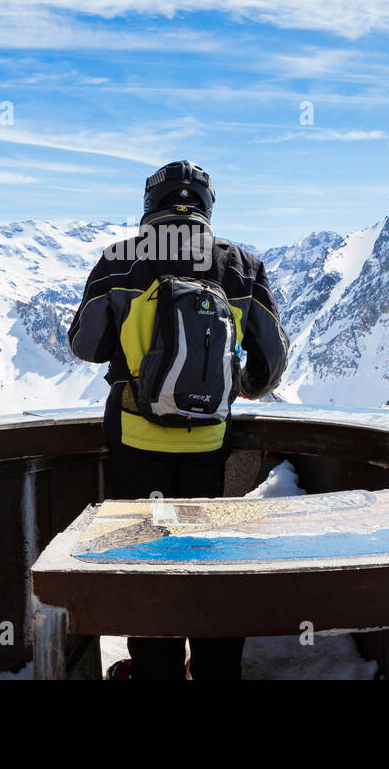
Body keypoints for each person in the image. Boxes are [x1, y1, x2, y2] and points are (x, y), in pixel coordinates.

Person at [67, 160, 290, 680]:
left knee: (146, 559)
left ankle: (155, 670)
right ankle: (215, 669)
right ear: (207, 206)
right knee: (207, 559)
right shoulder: (241, 265)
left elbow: (86, 346)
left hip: (133, 438)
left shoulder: (119, 260)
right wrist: (243, 386)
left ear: (151, 206)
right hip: (209, 440)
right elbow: (272, 361)